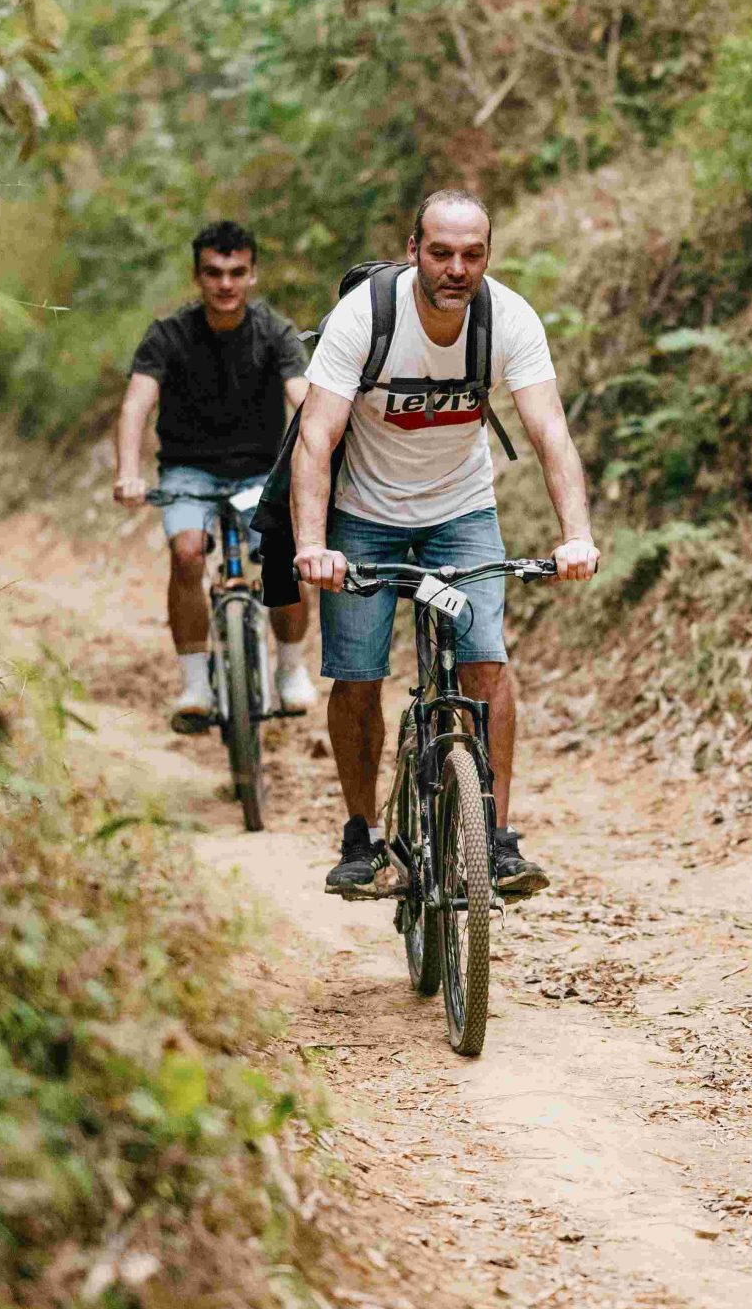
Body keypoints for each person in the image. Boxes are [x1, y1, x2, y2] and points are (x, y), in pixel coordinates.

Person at [289, 189, 600, 900]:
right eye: (440, 252)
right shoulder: (364, 317)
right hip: (364, 514)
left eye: (472, 254)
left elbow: (552, 434)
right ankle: (361, 835)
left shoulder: (508, 318)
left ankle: (493, 836)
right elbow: (316, 435)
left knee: (486, 662)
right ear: (412, 251)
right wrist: (313, 544)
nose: (456, 268)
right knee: (358, 672)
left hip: (461, 513)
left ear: (487, 255)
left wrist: (575, 536)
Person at [113, 220, 318, 729]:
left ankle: (290, 670)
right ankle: (195, 684)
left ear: (252, 274)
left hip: (261, 473)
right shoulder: (168, 335)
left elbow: (304, 397)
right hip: (189, 472)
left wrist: (327, 454)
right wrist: (127, 472)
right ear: (197, 276)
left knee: (283, 558)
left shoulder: (274, 332)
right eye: (213, 273)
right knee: (186, 553)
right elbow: (137, 403)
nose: (225, 284)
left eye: (236, 272)